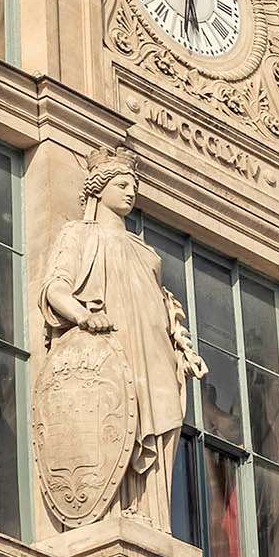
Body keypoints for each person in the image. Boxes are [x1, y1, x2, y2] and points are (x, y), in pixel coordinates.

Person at [40, 145, 205, 529]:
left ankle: (151, 513)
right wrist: (83, 316)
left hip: (155, 352)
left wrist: (181, 343)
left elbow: (165, 310)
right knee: (116, 419)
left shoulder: (146, 253)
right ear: (99, 189)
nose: (131, 192)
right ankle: (111, 513)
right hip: (110, 349)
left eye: (134, 185)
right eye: (122, 184)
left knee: (162, 420)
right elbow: (55, 288)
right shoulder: (78, 235)